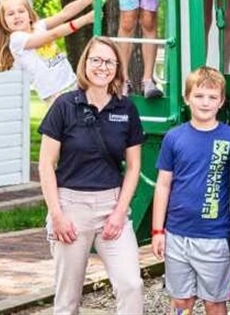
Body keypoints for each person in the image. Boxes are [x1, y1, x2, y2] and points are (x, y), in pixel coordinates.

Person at [37, 37, 145, 315]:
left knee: (131, 284)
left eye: (109, 61)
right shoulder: (64, 105)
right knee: (67, 298)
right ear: (84, 63)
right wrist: (57, 214)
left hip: (112, 205)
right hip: (71, 207)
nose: (102, 67)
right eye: (95, 60)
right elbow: (46, 164)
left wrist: (120, 213)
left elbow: (133, 167)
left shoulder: (126, 109)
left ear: (117, 68)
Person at [151, 66, 230, 315]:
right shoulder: (174, 137)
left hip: (214, 235)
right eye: (199, 96)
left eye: (212, 97)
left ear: (221, 101)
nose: (205, 102)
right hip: (178, 233)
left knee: (214, 302)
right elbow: (163, 185)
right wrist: (158, 230)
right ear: (187, 98)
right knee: (181, 301)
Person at [0, 0, 94, 104]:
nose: (17, 16)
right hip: (55, 93)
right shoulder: (17, 39)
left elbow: (65, 14)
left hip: (72, 82)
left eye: (21, 11)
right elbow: (53, 35)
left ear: (29, 14)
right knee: (74, 119)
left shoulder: (39, 26)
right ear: (3, 21)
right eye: (10, 14)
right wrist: (85, 19)